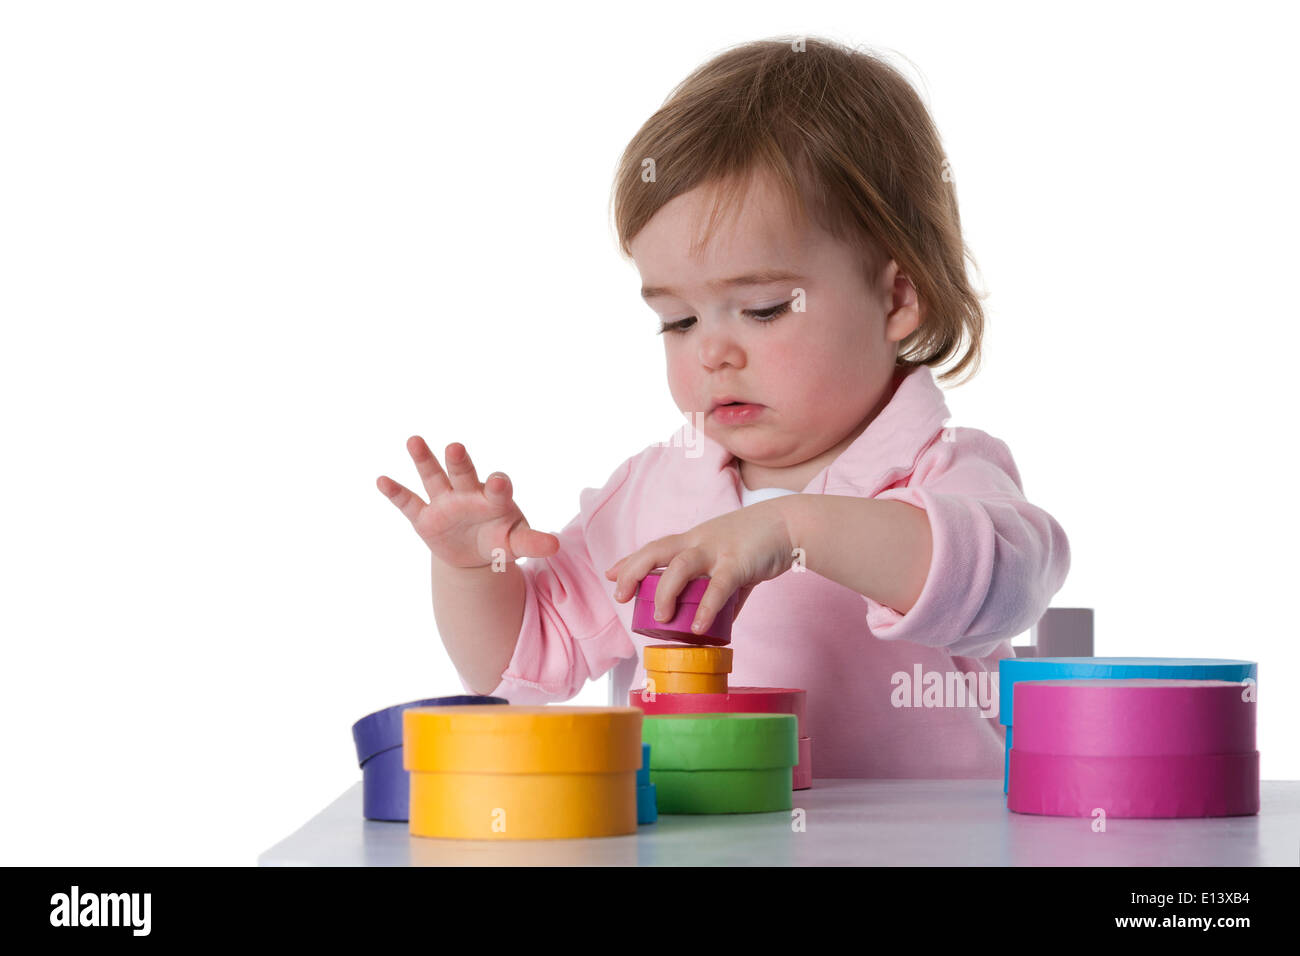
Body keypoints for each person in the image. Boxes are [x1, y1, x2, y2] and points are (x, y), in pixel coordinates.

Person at [377, 36, 1070, 777]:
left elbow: (1005, 583)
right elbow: (517, 665)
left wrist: (790, 526)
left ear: (899, 298)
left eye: (764, 309)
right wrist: (470, 572)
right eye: (678, 321)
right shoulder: (653, 493)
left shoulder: (942, 470)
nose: (711, 352)